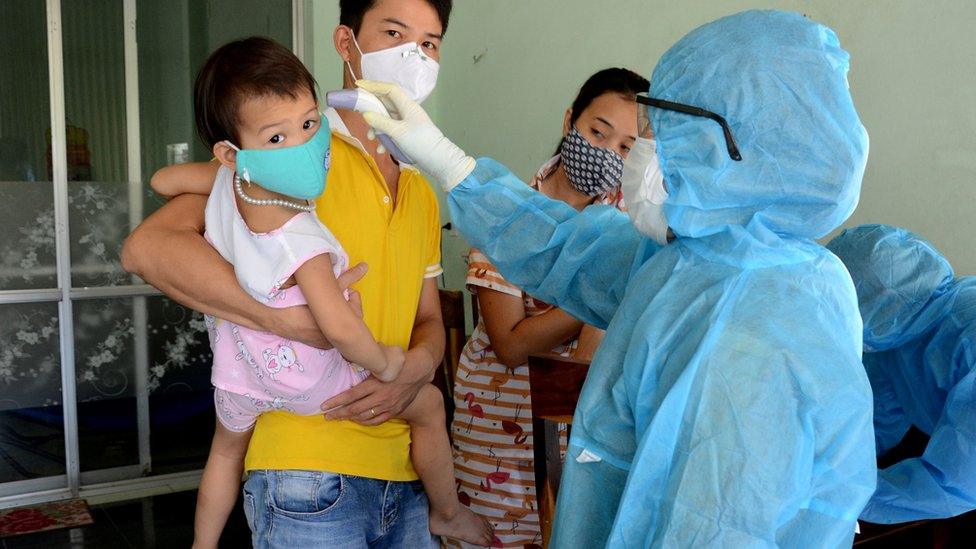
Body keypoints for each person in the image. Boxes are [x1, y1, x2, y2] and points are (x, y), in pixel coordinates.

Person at [359, 9, 876, 547]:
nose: (641, 153)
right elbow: (569, 249)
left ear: (731, 146)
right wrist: (451, 165)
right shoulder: (697, 257)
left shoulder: (758, 329)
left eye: (659, 133)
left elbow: (718, 524)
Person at [122, 1, 467, 546]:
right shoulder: (285, 156)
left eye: (429, 43)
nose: (414, 55)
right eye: (395, 33)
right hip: (305, 470)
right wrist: (286, 322)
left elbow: (426, 315)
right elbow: (148, 248)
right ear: (345, 42)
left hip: (405, 468)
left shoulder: (422, 190)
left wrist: (416, 368)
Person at [450, 68, 648, 548]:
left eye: (626, 146)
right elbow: (512, 344)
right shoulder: (507, 213)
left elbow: (589, 359)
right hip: (495, 421)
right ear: (570, 120)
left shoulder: (630, 227)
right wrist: (606, 292)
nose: (606, 152)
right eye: (598, 132)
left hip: (575, 430)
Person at [827, 224, 976, 524]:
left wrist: (842, 495)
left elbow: (956, 483)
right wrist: (827, 460)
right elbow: (876, 420)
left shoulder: (965, 339)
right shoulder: (900, 334)